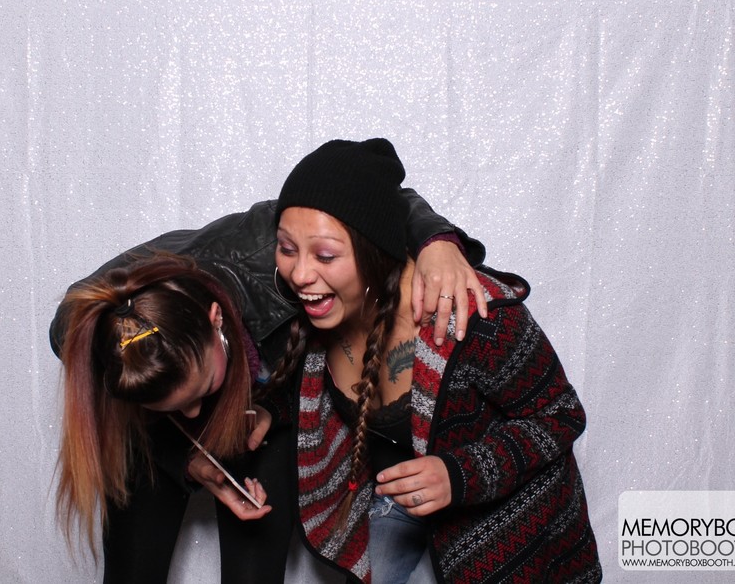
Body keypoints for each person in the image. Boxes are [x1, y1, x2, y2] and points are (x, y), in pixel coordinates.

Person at [49, 185, 489, 584]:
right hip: (156, 436)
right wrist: (187, 458)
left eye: (202, 391)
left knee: (254, 565)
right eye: (174, 406)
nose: (193, 415)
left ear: (215, 320)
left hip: (268, 413)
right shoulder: (105, 342)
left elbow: (379, 195)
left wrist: (437, 244)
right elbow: (72, 329)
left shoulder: (274, 246)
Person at [270, 138, 602, 583]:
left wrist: (458, 474)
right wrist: (260, 417)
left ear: (376, 249)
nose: (299, 274)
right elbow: (309, 403)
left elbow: (561, 415)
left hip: (505, 528)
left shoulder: (473, 315)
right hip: (399, 509)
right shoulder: (323, 314)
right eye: (286, 249)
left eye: (325, 255)